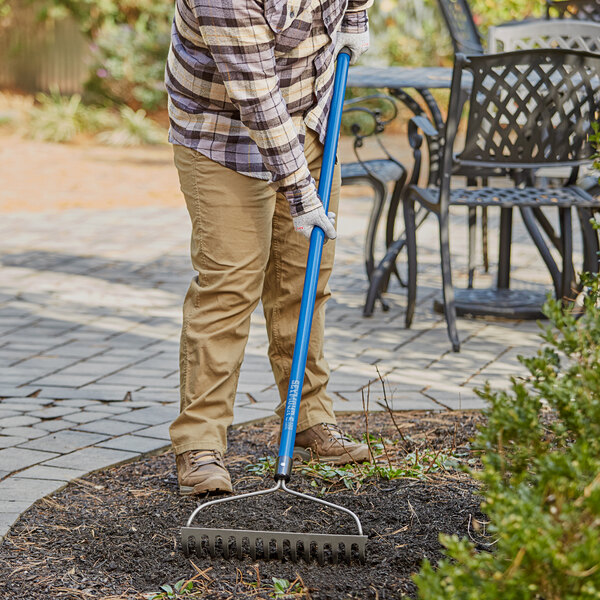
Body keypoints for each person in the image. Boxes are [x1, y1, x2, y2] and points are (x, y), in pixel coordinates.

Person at [165, 0, 373, 496]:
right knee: (230, 286)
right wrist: (301, 193)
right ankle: (201, 445)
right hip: (222, 135)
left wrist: (356, 17)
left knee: (304, 282)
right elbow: (257, 98)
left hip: (309, 116)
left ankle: (309, 416)